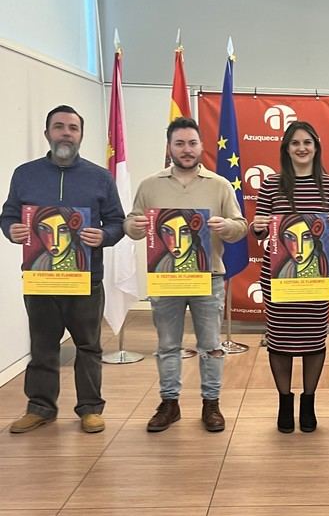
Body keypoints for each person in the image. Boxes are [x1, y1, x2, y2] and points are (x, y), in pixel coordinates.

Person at [0, 105, 125, 434]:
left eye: (73, 128)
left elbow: (117, 222)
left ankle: (90, 409)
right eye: (59, 127)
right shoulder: (25, 174)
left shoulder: (100, 177)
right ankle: (40, 406)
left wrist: (105, 235)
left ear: (81, 135)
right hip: (41, 278)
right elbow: (8, 215)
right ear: (47, 134)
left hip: (85, 278)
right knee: (42, 344)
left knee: (87, 345)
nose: (66, 133)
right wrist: (11, 229)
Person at [124, 117, 248, 433]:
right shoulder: (150, 185)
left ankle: (211, 404)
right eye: (179, 143)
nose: (186, 149)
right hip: (166, 279)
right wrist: (133, 227)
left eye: (192, 143)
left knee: (210, 344)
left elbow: (241, 227)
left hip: (208, 278)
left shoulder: (219, 184)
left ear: (201, 146)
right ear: (169, 147)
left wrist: (227, 227)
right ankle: (169, 403)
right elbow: (132, 224)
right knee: (167, 344)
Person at [253, 121, 329, 433]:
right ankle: (284, 402)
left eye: (307, 142)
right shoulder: (271, 184)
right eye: (295, 143)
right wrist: (257, 225)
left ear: (316, 146)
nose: (302, 148)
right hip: (278, 277)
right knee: (279, 342)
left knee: (313, 341)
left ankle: (308, 403)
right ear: (286, 149)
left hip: (316, 278)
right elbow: (259, 228)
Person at [29, 205, 88, 271]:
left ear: (72, 232)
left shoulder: (79, 261)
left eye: (63, 230)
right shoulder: (38, 264)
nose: (55, 242)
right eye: (45, 229)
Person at [152, 208, 209, 273]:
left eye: (184, 231)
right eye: (168, 231)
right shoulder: (162, 265)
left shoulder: (201, 261)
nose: (177, 244)